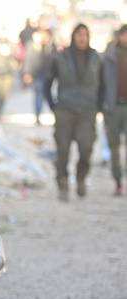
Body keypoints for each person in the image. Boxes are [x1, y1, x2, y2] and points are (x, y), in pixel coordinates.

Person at [44, 23, 102, 201]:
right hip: (65, 110)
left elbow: (104, 84)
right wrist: (53, 105)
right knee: (62, 150)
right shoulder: (60, 57)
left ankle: (81, 177)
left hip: (87, 111)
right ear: (73, 36)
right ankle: (62, 183)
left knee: (86, 148)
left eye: (85, 34)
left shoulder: (96, 58)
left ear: (89, 37)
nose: (82, 38)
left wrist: (98, 105)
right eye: (79, 34)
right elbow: (48, 82)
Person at [101, 24, 127, 196]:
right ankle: (118, 182)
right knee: (115, 147)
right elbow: (99, 83)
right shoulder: (108, 56)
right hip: (113, 107)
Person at [23, 28, 55, 124]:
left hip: (48, 75)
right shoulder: (32, 45)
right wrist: (27, 73)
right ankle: (37, 114)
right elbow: (28, 60)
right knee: (38, 94)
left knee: (45, 94)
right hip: (36, 74)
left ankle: (42, 112)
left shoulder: (51, 46)